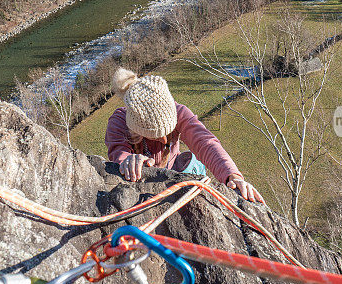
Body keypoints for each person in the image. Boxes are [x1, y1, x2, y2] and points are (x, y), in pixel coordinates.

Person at [105, 68, 264, 203]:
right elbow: (118, 152)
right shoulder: (118, 123)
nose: (165, 139)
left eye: (168, 131)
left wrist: (232, 176)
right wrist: (128, 160)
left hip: (175, 171)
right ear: (136, 130)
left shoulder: (179, 112)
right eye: (156, 136)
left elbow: (205, 143)